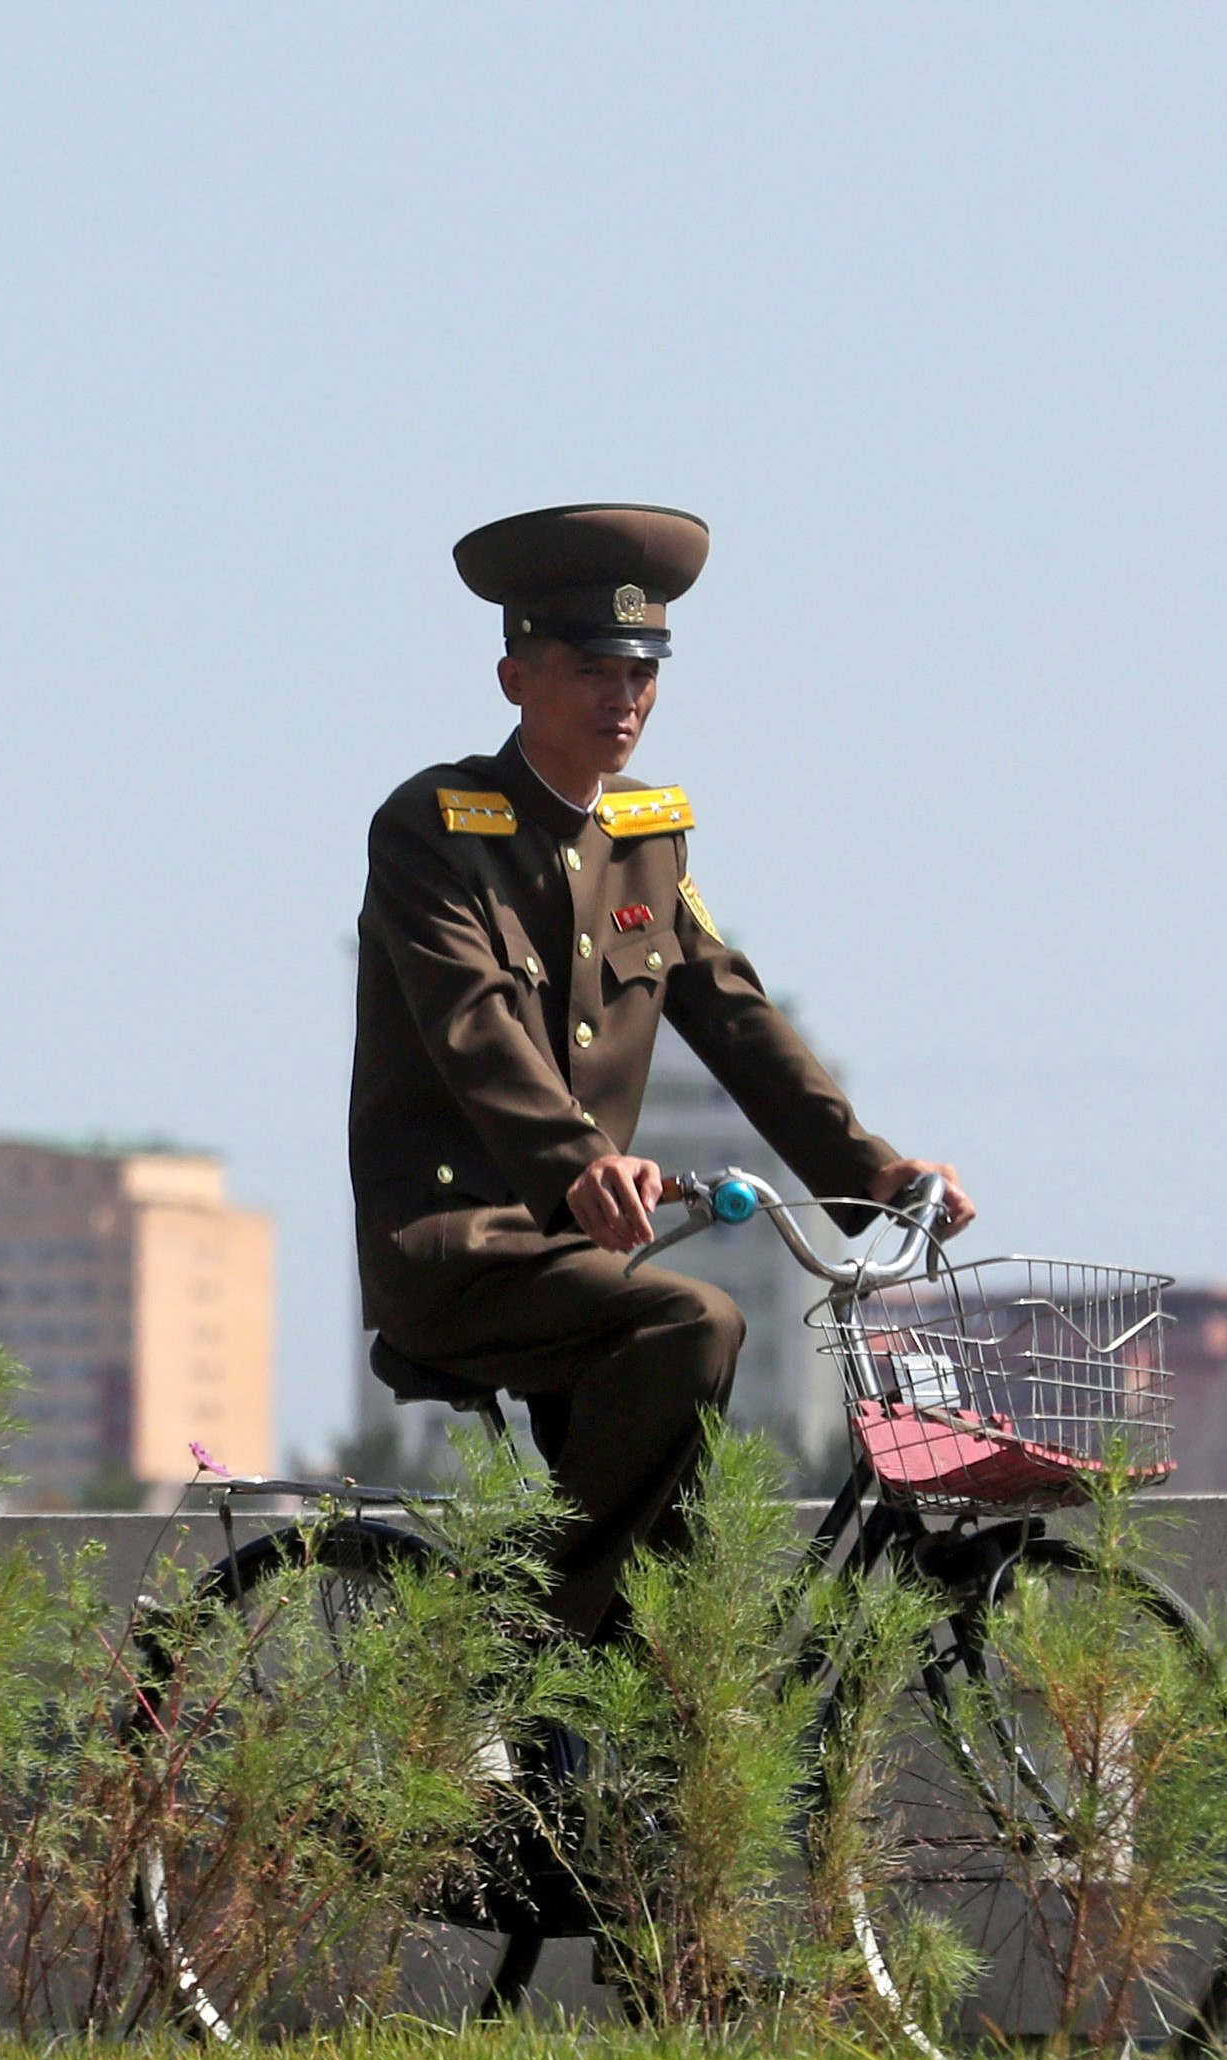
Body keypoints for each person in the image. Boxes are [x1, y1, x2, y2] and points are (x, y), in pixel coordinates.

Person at [347, 502, 972, 1638]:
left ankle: (615, 1740)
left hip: (582, 1253)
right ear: (512, 679)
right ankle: (516, 1655)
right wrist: (578, 1160)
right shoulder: (431, 830)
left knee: (673, 1554)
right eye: (590, 670)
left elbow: (732, 1013)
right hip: (456, 1248)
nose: (621, 699)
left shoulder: (646, 834)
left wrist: (868, 1172)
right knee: (694, 1325)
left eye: (640, 674)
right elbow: (473, 1021)